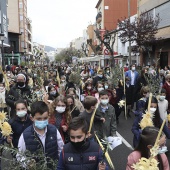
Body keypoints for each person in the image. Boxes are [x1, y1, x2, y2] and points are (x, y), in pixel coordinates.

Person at [17, 101, 64, 169]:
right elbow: (20, 155)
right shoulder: (25, 135)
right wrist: (28, 164)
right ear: (32, 118)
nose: (42, 121)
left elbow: (61, 150)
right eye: (39, 119)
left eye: (45, 118)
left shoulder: (54, 131)